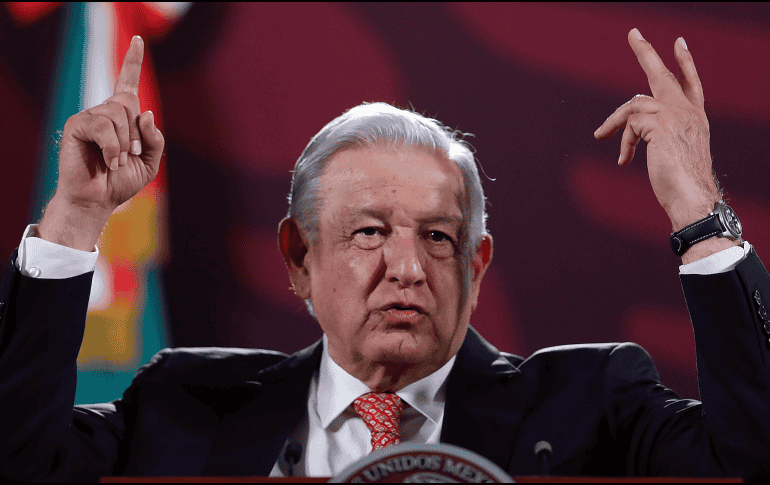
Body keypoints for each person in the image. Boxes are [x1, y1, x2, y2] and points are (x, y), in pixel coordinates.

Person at [1, 29, 768, 481]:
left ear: (477, 266)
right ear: (299, 258)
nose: (407, 267)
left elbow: (754, 454)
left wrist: (700, 214)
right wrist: (74, 217)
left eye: (439, 237)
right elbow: (20, 460)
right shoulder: (185, 401)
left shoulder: (592, 401)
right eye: (369, 232)